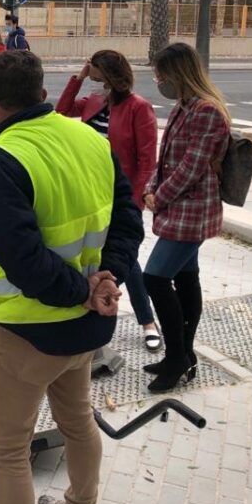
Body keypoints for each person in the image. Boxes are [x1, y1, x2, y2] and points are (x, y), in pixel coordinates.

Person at [0, 51, 143, 504]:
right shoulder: (90, 139)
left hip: (25, 334)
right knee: (79, 422)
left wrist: (85, 289)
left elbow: (22, 261)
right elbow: (129, 219)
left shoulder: (0, 160)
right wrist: (109, 278)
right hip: (86, 329)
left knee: (8, 453)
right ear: (43, 94)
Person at [56, 50, 161, 352]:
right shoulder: (94, 100)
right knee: (101, 257)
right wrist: (78, 78)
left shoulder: (139, 108)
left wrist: (135, 202)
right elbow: (61, 113)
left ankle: (147, 322)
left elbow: (146, 160)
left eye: (96, 70)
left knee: (128, 261)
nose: (92, 74)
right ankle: (116, 319)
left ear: (110, 73)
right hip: (87, 193)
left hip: (119, 195)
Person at [142, 42, 230, 392]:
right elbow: (166, 160)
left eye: (161, 74)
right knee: (186, 277)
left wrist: (158, 198)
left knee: (154, 278)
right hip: (179, 207)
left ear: (178, 73)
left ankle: (177, 356)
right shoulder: (184, 106)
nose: (158, 80)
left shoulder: (207, 112)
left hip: (190, 212)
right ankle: (184, 353)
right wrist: (151, 187)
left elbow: (191, 168)